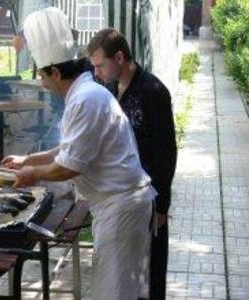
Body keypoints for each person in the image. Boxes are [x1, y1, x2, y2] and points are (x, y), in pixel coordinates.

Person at [1, 7, 157, 300]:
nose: (42, 82)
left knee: (113, 295)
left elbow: (69, 166)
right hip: (119, 206)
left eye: (43, 75)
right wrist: (28, 160)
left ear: (56, 72)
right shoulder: (86, 94)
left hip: (121, 208)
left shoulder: (85, 100)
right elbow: (71, 149)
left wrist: (32, 174)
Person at [87, 28, 177, 300]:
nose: (97, 73)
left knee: (149, 275)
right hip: (121, 196)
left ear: (119, 57)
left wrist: (162, 205)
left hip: (149, 196)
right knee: (124, 275)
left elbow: (167, 152)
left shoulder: (154, 91)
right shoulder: (109, 90)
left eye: (100, 65)